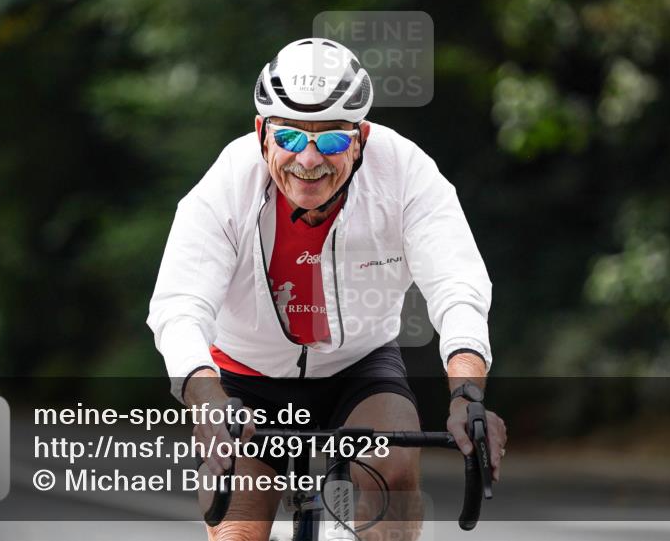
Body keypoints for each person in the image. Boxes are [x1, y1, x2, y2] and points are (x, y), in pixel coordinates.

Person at [147, 37, 507, 540]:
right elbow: (180, 307)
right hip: (245, 377)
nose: (310, 159)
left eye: (333, 141)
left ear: (360, 137)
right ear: (262, 133)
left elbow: (458, 285)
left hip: (357, 366)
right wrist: (207, 397)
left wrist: (467, 394)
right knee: (238, 533)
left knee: (396, 470)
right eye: (291, 139)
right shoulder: (226, 185)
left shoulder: (405, 173)